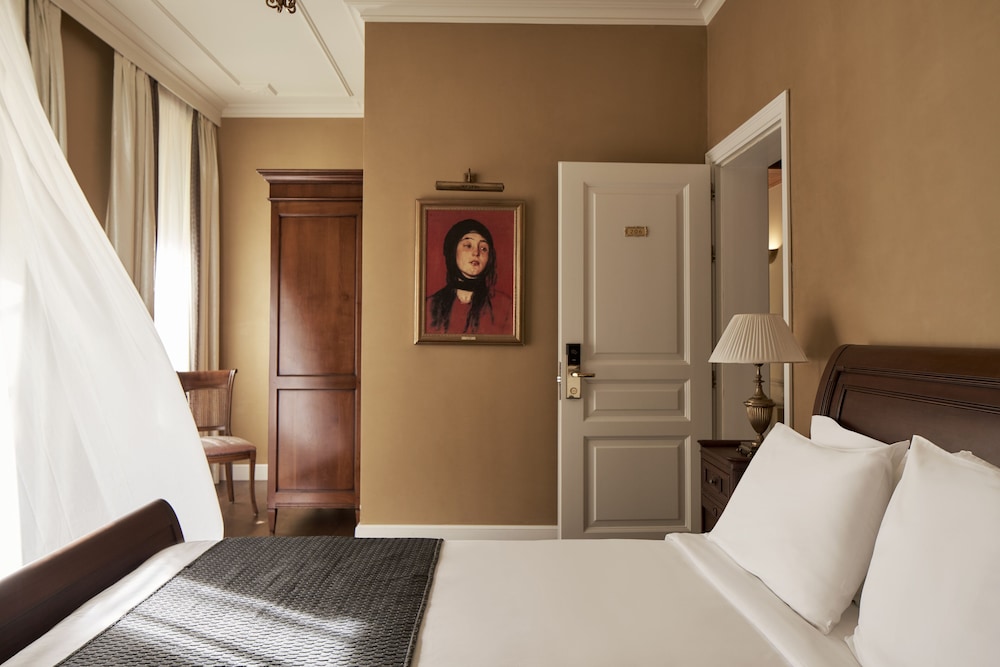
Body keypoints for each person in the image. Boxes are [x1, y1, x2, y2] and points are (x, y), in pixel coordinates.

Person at [427, 218, 512, 335]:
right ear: (453, 251)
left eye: (483, 248)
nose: (476, 253)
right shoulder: (429, 306)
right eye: (468, 245)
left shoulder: (505, 307)